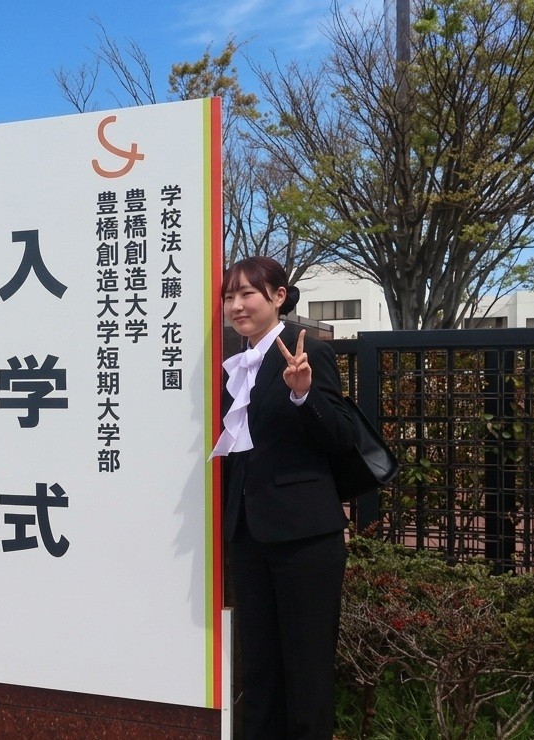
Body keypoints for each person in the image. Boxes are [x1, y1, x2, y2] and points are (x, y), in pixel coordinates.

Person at [210, 256, 356, 739]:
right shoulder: (234, 366)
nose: (236, 305)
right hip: (249, 535)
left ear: (278, 296)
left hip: (304, 537)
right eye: (229, 296)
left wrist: (303, 394)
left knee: (307, 669)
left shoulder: (307, 351)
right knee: (259, 670)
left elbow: (341, 437)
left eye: (247, 294)